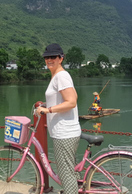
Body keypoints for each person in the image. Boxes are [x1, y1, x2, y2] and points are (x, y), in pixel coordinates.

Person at [36, 43, 81, 194]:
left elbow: (71, 102)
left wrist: (48, 110)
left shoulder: (61, 76)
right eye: (47, 57)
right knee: (69, 171)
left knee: (66, 174)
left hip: (64, 133)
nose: (49, 60)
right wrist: (47, 104)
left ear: (61, 58)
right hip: (66, 132)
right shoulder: (59, 76)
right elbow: (73, 96)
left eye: (53, 57)